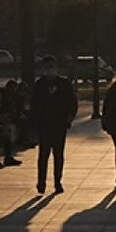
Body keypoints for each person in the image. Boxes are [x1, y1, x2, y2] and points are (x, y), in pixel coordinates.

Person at [32, 55, 78, 194]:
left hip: (59, 124)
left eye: (52, 67)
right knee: (43, 156)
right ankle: (41, 182)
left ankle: (58, 182)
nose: (50, 70)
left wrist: (69, 117)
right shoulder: (39, 85)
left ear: (56, 68)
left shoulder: (64, 84)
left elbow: (72, 102)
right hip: (44, 125)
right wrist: (35, 121)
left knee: (58, 155)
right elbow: (34, 104)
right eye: (47, 67)